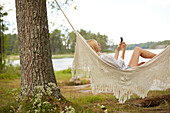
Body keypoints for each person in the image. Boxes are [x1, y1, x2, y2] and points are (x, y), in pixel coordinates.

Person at [87, 39, 157, 70]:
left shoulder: (99, 58)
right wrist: (123, 50)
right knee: (137, 49)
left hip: (123, 71)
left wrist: (118, 50)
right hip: (126, 72)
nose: (99, 44)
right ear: (94, 47)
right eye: (97, 44)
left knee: (142, 63)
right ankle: (159, 57)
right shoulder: (102, 57)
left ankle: (158, 58)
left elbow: (114, 63)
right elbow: (119, 65)